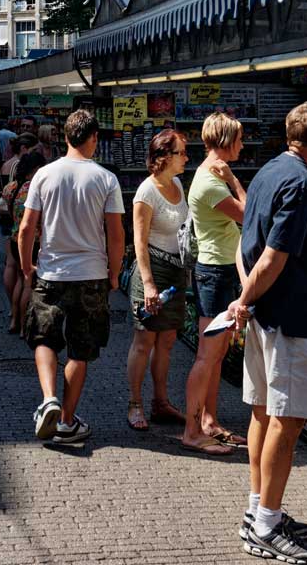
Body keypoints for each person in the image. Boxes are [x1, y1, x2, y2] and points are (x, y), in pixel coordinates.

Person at [228, 102, 307, 564]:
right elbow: (275, 255)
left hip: (263, 314)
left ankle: (259, 510)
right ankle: (268, 525)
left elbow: (245, 245)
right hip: (288, 317)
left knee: (261, 412)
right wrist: (246, 300)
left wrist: (245, 297)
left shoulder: (271, 170)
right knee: (286, 421)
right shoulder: (303, 182)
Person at [18, 110, 123, 445]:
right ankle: (66, 422)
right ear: (93, 138)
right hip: (91, 275)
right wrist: (115, 272)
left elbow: (26, 228)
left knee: (44, 339)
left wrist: (26, 266)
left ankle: (49, 398)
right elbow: (116, 234)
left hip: (50, 271)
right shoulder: (106, 179)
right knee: (81, 349)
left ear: (65, 137)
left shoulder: (45, 175)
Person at [182, 113, 249, 454]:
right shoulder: (212, 181)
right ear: (224, 141)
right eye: (238, 138)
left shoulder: (210, 175)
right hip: (214, 272)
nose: (242, 144)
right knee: (207, 356)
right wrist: (235, 180)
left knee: (217, 353)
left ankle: (208, 420)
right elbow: (250, 215)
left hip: (218, 269)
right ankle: (191, 431)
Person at [125, 129, 190, 434]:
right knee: (145, 340)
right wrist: (149, 284)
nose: (186, 158)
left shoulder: (177, 184)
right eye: (181, 153)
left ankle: (160, 402)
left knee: (167, 341)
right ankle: (135, 403)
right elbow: (138, 242)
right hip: (152, 271)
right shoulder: (145, 193)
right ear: (164, 157)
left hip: (176, 273)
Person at [1, 151, 45, 334]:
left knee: (20, 279)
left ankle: (14, 319)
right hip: (33, 240)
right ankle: (23, 325)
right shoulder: (37, 189)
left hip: (14, 238)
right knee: (29, 283)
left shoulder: (11, 187)